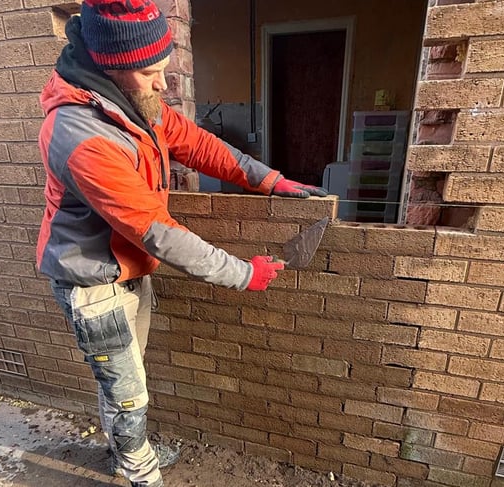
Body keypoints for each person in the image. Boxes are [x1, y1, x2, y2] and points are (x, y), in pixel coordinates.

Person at [36, 1, 327, 486]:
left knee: (127, 378)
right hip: (92, 283)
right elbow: (157, 232)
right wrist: (243, 273)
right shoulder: (79, 134)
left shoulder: (133, 105)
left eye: (164, 69)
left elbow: (198, 144)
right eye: (150, 73)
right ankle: (140, 472)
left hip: (127, 270)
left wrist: (269, 180)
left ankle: (127, 453)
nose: (163, 85)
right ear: (111, 65)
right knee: (128, 392)